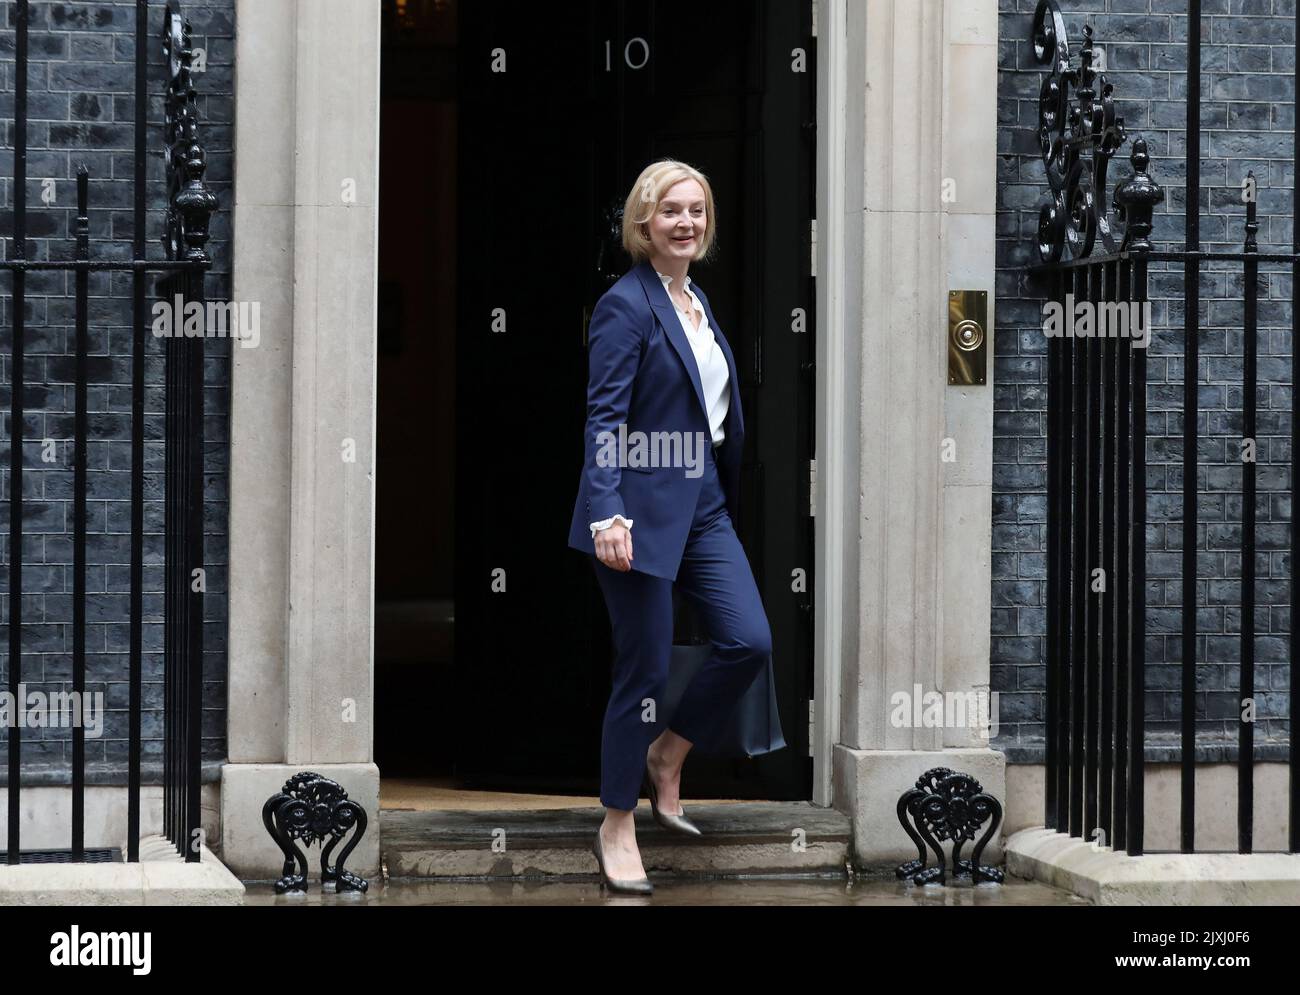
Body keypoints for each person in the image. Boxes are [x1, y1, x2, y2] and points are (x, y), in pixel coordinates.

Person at [566, 158, 774, 894]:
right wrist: (606, 512)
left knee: (749, 638)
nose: (686, 222)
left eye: (697, 210)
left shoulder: (696, 302)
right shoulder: (627, 306)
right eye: (670, 211)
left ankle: (669, 752)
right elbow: (605, 418)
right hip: (637, 512)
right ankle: (617, 820)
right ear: (643, 224)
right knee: (645, 671)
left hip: (704, 504)